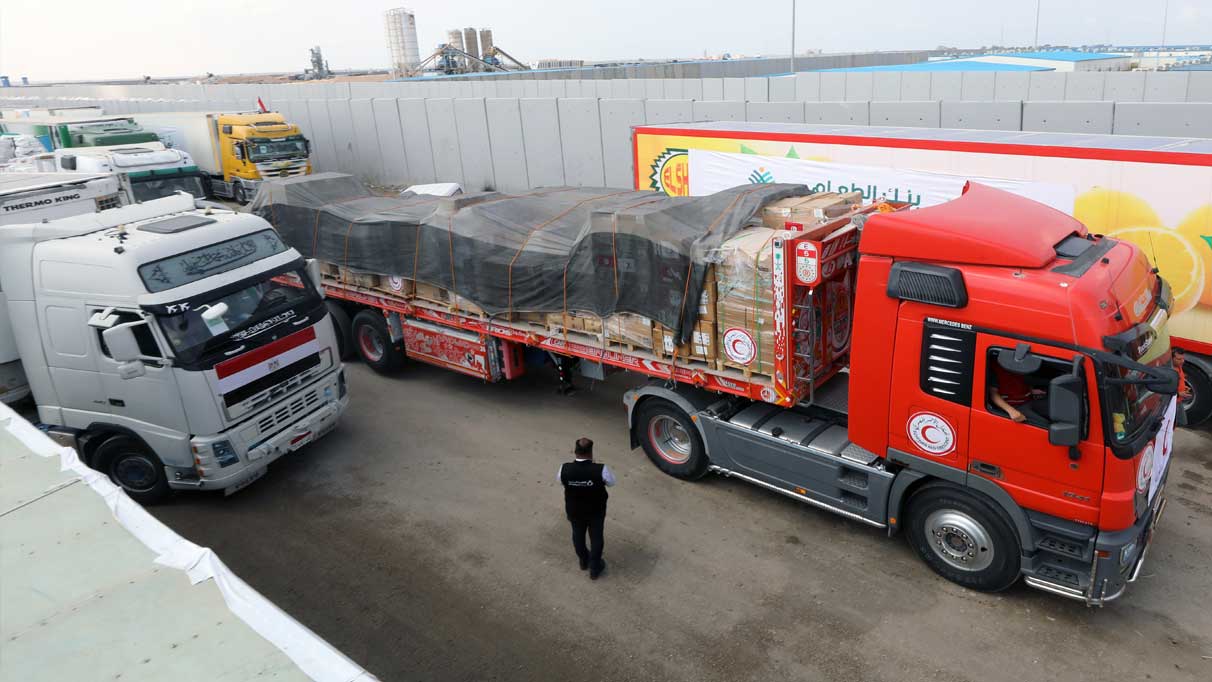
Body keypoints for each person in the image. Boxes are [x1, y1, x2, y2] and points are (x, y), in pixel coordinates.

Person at [557, 437, 615, 580]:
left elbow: (560, 481)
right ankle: (594, 568)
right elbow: (612, 482)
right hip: (596, 511)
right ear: (591, 452)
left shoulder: (564, 469)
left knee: (577, 535)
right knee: (596, 538)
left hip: (575, 510)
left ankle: (583, 561)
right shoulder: (601, 470)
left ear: (575, 451)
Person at [988, 360, 1049, 426]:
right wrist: (1012, 411)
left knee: (1056, 409)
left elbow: (1019, 382)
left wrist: (1031, 390)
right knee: (1044, 425)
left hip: (1028, 399)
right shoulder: (996, 368)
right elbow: (993, 394)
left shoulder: (1018, 363)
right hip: (1014, 406)